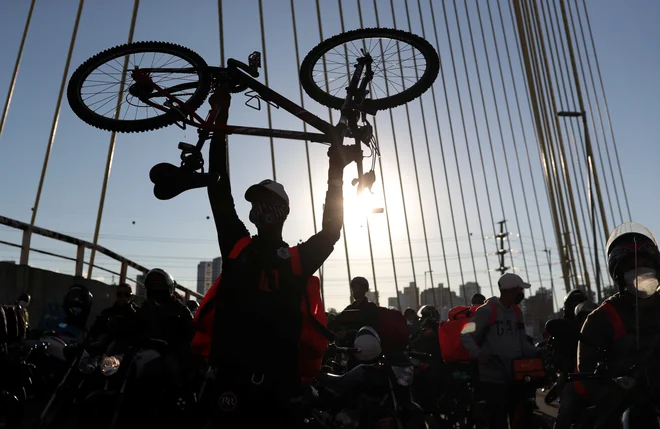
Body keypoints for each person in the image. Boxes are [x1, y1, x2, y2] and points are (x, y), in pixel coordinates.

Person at [206, 86, 348, 428]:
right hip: (230, 376)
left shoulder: (297, 259)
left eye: (267, 201)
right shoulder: (238, 246)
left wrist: (336, 170)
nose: (259, 208)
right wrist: (219, 124)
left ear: (282, 211)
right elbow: (218, 187)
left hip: (281, 380)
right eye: (255, 203)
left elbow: (331, 230)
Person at [574, 222, 660, 429]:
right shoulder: (601, 318)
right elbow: (585, 370)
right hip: (625, 404)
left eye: (645, 264)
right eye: (631, 267)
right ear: (619, 275)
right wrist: (613, 388)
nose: (640, 272)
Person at [460, 273, 539, 429]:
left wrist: (537, 352)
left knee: (521, 418)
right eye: (520, 290)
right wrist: (479, 354)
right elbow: (465, 334)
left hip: (515, 375)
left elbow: (522, 342)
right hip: (492, 378)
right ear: (511, 290)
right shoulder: (487, 310)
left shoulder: (517, 312)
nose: (522, 294)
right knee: (498, 422)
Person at [87, 283, 138, 350]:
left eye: (126, 295)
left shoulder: (137, 313)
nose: (123, 297)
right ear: (116, 296)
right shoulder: (107, 312)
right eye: (120, 294)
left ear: (131, 297)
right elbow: (94, 331)